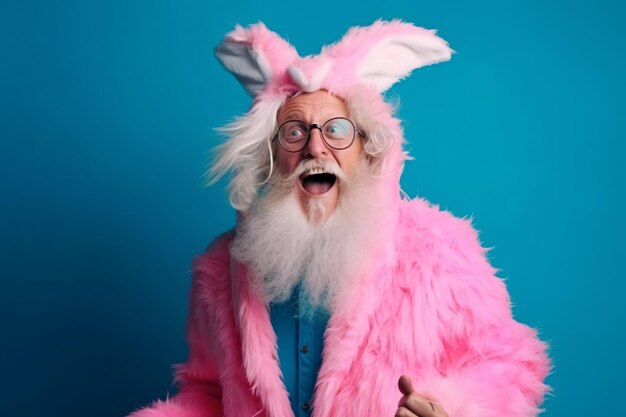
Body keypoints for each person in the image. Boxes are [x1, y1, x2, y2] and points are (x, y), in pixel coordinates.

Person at [129, 20, 550, 417]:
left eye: (336, 130)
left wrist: (451, 408)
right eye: (294, 131)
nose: (315, 148)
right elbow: (209, 393)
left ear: (368, 149)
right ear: (271, 157)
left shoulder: (440, 251)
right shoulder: (221, 271)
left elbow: (511, 365)